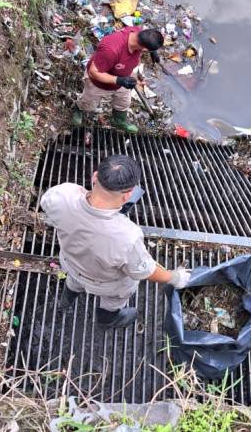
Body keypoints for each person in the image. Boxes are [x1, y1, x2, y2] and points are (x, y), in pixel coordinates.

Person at [40, 155, 190, 328]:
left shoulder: (61, 195)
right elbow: (144, 271)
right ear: (128, 195)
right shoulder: (127, 236)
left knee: (73, 282)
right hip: (107, 285)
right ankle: (107, 319)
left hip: (71, 266)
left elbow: (48, 207)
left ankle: (66, 301)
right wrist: (175, 278)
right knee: (114, 300)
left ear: (95, 176)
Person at [77, 27, 164, 134]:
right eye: (148, 50)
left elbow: (149, 36)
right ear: (144, 49)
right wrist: (119, 80)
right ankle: (78, 109)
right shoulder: (111, 50)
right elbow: (93, 72)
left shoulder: (139, 32)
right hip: (98, 83)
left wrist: (153, 51)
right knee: (88, 104)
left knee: (123, 102)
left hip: (123, 78)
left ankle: (118, 121)